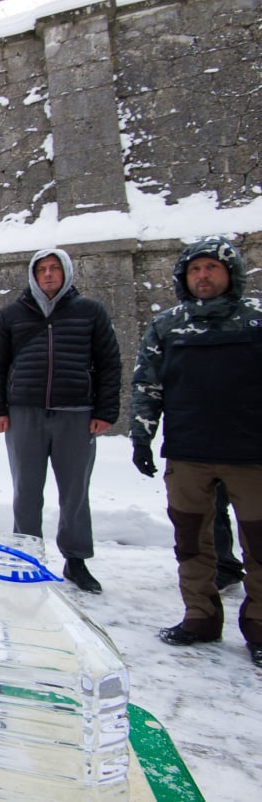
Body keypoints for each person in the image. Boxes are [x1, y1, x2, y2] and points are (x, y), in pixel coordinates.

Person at [130, 236, 262, 668]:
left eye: (212, 268)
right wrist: (141, 436)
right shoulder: (168, 326)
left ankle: (259, 625)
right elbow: (148, 384)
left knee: (258, 543)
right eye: (195, 270)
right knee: (191, 542)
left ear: (231, 273)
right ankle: (200, 617)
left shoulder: (256, 320)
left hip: (251, 454)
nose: (203, 276)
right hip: (189, 452)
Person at [0, 249, 122, 593]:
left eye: (54, 269)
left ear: (66, 273)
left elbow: (109, 363)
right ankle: (27, 557)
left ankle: (76, 560)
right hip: (24, 414)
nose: (48, 275)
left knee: (74, 491)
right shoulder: (10, 315)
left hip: (75, 415)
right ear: (33, 275)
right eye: (42, 269)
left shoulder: (90, 312)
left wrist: (105, 412)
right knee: (26, 490)